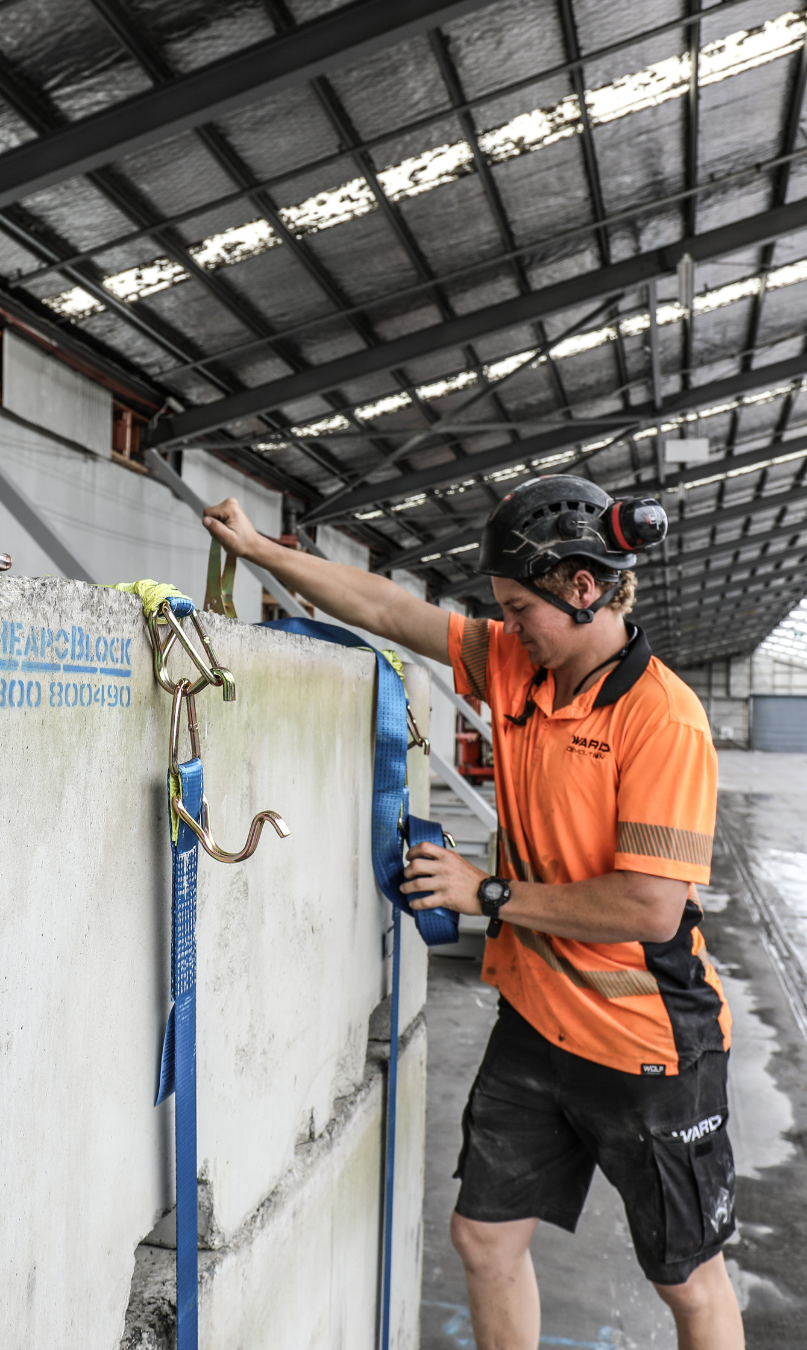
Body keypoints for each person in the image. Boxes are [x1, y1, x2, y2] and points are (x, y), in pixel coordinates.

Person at [202, 475, 743, 1350]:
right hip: (537, 1020)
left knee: (687, 1280)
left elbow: (649, 907)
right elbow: (389, 607)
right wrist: (266, 554)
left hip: (648, 1047)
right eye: (501, 606)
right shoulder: (514, 665)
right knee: (485, 1240)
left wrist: (485, 894)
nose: (509, 623)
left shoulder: (662, 721)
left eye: (520, 603)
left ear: (582, 587)